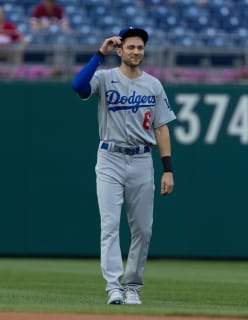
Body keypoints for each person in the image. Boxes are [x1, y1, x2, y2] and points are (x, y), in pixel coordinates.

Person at [71, 26, 176, 305]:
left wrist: (168, 169)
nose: (136, 51)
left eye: (140, 47)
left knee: (143, 228)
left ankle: (132, 286)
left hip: (142, 158)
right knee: (110, 225)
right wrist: (98, 54)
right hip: (110, 158)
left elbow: (162, 129)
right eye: (130, 46)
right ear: (119, 50)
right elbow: (78, 85)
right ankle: (113, 286)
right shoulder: (105, 78)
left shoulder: (153, 84)